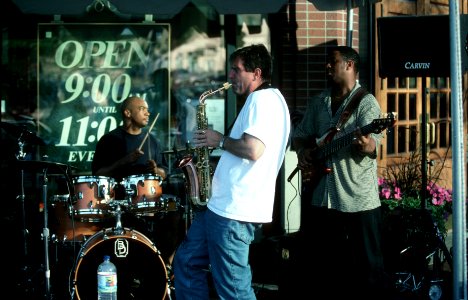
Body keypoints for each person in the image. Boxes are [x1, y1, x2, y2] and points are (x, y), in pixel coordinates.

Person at [172, 44, 291, 299]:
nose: (230, 76)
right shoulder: (269, 99)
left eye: (236, 70)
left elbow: (253, 149)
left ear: (256, 73)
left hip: (233, 211)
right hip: (221, 206)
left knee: (234, 289)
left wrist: (219, 140)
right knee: (186, 261)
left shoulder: (262, 100)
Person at [292, 45, 387, 299]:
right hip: (322, 197)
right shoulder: (318, 102)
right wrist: (303, 153)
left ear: (349, 65)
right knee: (324, 270)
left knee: (368, 271)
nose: (327, 66)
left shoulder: (367, 103)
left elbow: (374, 143)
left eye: (332, 62)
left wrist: (366, 144)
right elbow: (299, 137)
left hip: (358, 200)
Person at [91, 96, 179, 266]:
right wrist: (124, 161)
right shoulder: (110, 140)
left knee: (175, 213)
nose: (147, 113)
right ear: (127, 113)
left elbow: (164, 172)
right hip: (120, 204)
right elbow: (98, 173)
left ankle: (164, 265)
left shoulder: (152, 140)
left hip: (150, 202)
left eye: (147, 109)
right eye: (142, 109)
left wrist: (156, 171)